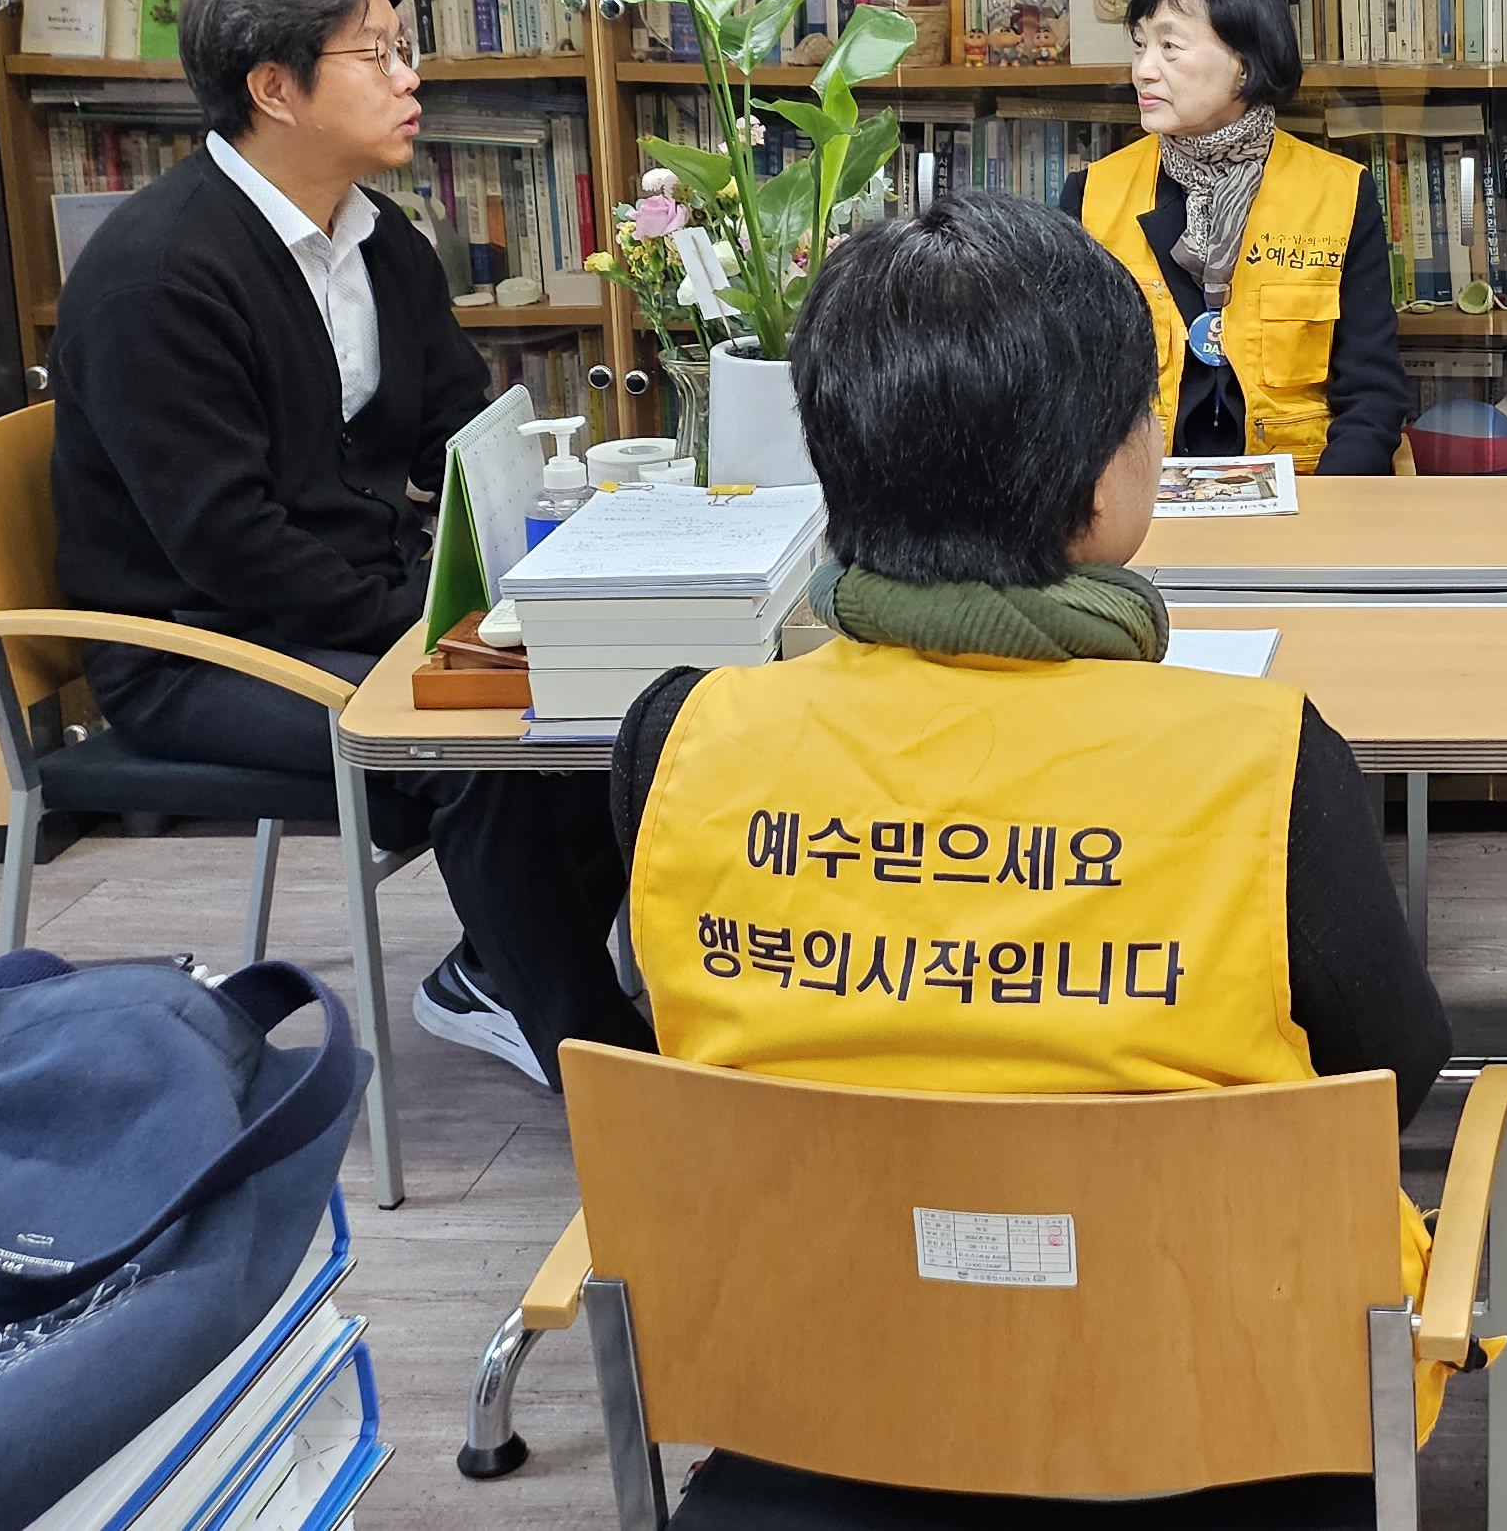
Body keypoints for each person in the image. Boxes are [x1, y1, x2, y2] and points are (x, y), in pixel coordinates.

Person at [605, 192, 1454, 1415]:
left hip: (816, 1387)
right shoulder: (1261, 760)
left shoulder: (680, 740)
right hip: (1218, 1399)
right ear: (1103, 483)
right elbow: (1388, 1076)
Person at [50, 0, 645, 1088]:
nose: (410, 76)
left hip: (339, 606)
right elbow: (227, 544)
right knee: (480, 738)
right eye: (377, 54)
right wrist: (435, 628)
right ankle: (598, 1058)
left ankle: (495, 969)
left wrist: (551, 563)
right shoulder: (157, 274)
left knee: (614, 689)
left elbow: (462, 438)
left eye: (404, 47)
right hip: (197, 647)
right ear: (276, 88)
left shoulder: (382, 242)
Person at [1062, 0, 1411, 475]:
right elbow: (1066, 389)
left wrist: (1325, 509)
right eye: (1139, 46)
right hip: (1141, 499)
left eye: (1169, 47)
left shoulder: (1340, 192)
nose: (1143, 71)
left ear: (1245, 64)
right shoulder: (1090, 195)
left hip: (1305, 489)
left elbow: (1372, 394)